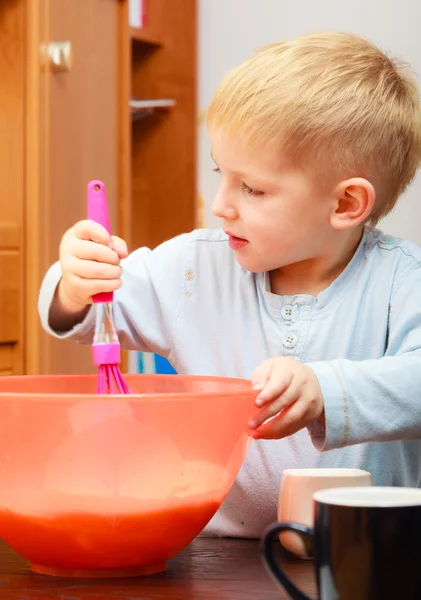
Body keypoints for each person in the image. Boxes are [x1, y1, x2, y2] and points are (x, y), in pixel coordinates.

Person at [38, 31, 421, 537]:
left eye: (253, 188)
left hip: (366, 552)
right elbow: (88, 315)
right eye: (222, 173)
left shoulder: (402, 281)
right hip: (216, 554)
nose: (220, 204)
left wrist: (325, 390)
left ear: (346, 204)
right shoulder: (196, 268)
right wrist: (76, 281)